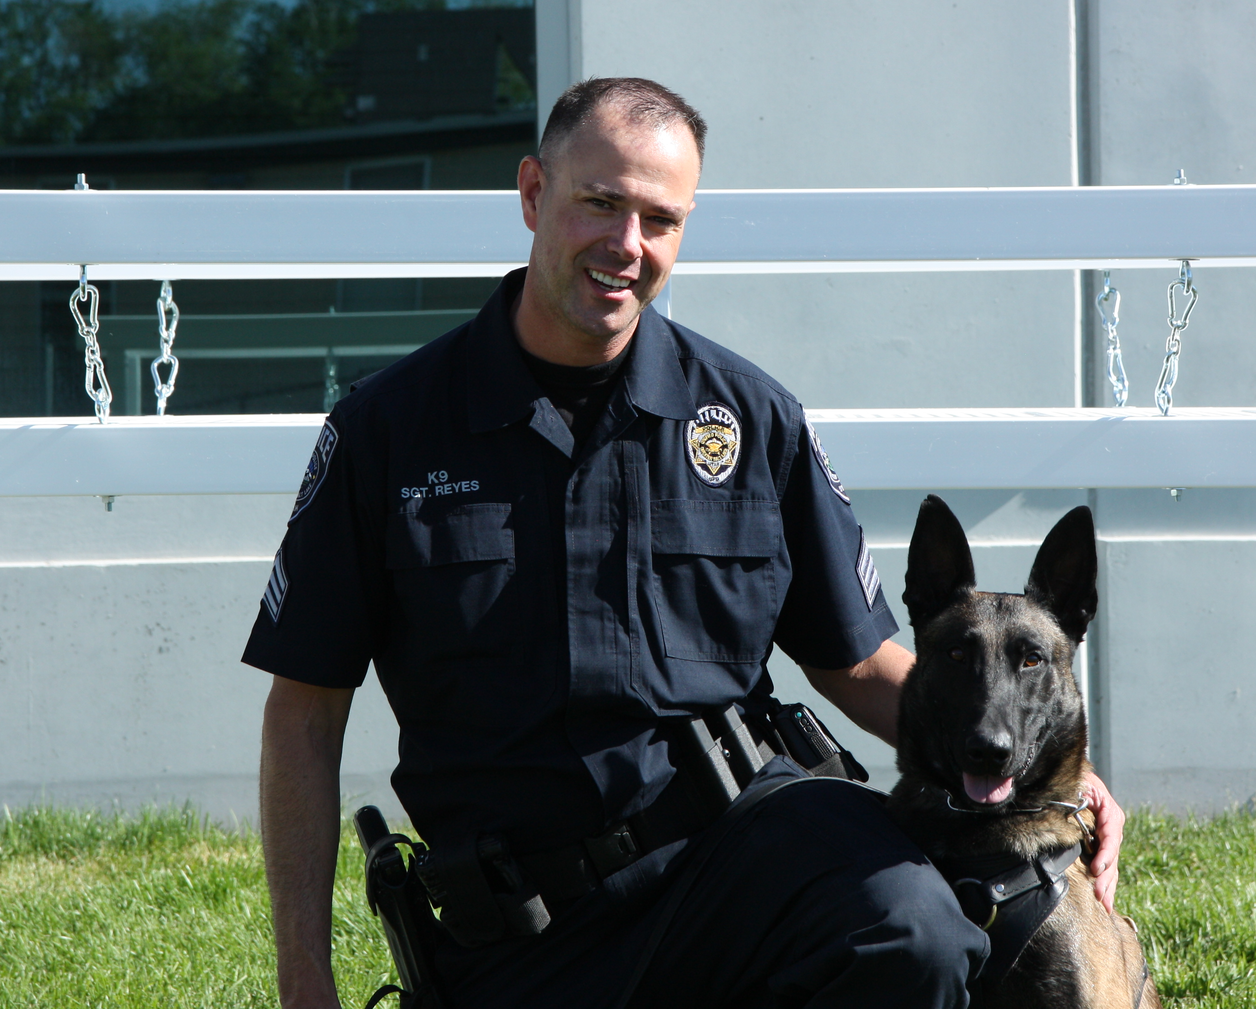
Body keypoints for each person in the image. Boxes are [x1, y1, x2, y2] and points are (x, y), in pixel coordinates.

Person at [244, 77, 1125, 1009]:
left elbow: (859, 660)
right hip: (521, 930)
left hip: (740, 854)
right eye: (601, 204)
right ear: (535, 194)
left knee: (910, 927)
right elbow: (304, 716)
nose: (627, 246)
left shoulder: (750, 418)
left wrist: (1047, 769)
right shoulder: (390, 432)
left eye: (660, 219)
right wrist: (306, 978)